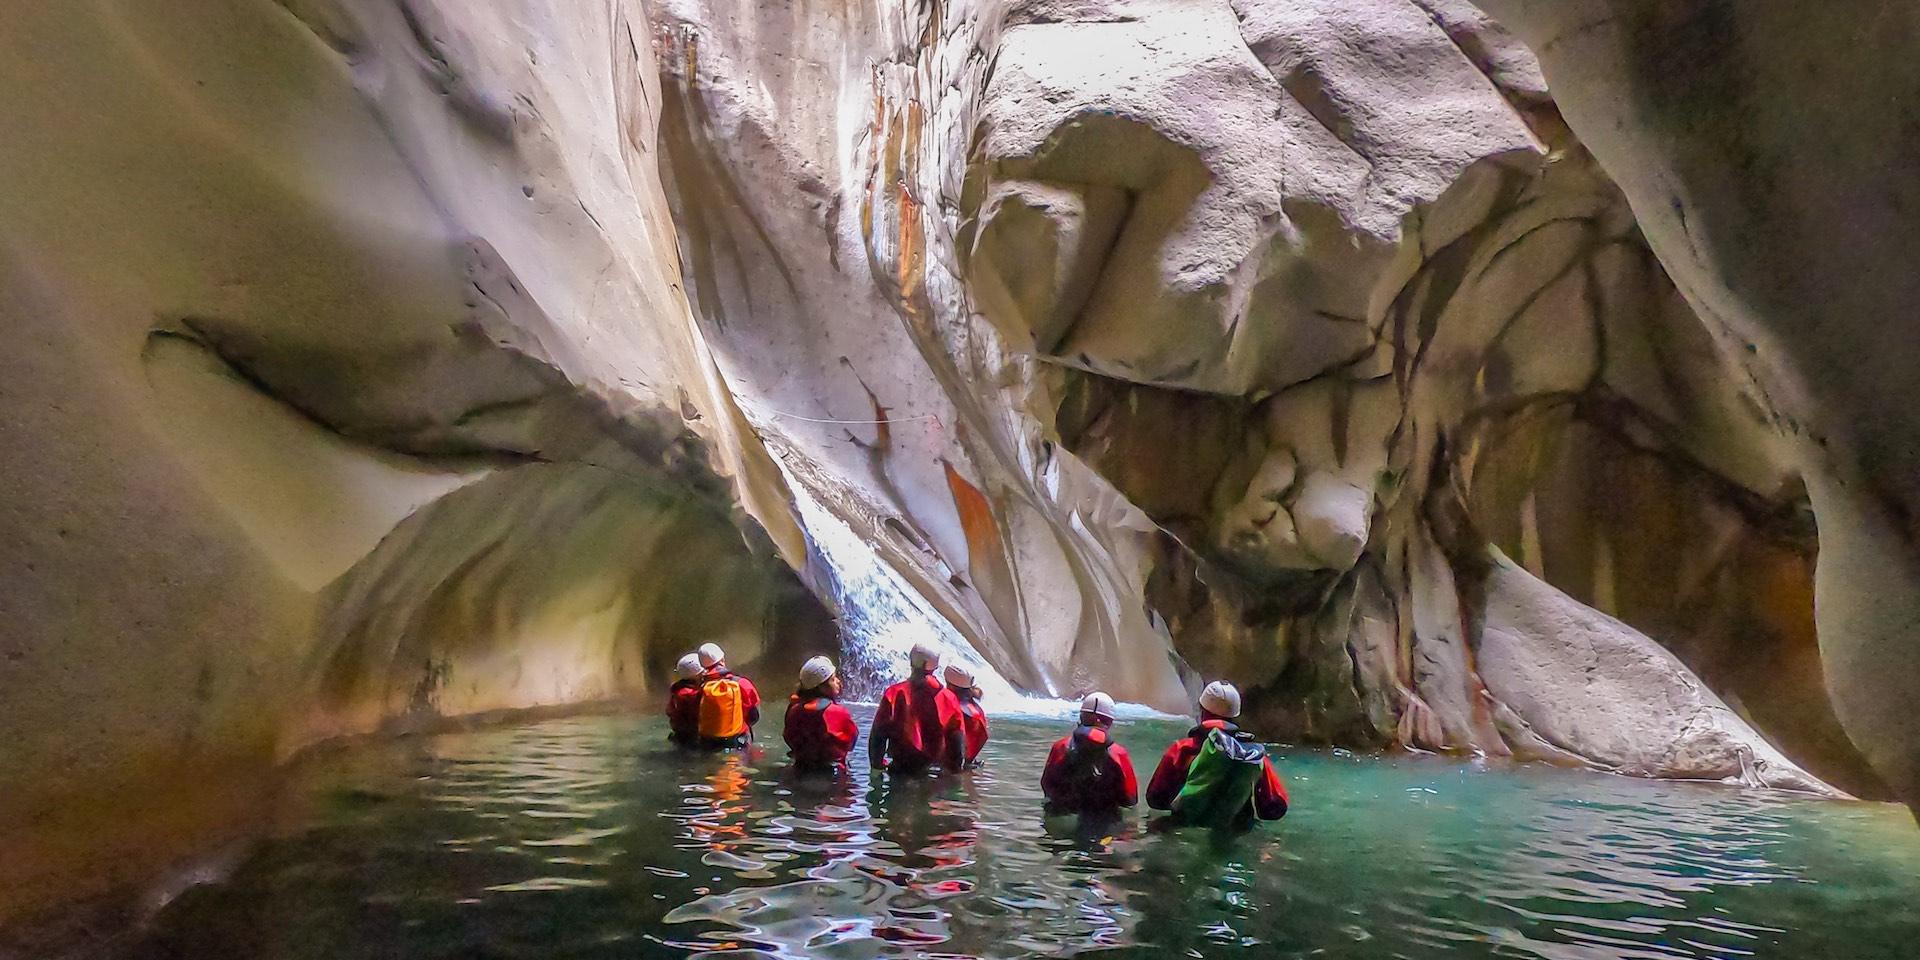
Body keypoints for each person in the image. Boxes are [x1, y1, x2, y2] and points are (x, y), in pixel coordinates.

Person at [1146, 681, 1289, 828]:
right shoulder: (1253, 753)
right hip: (1234, 831)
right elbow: (1275, 809)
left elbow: (1156, 799)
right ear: (1235, 714)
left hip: (1186, 826)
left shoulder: (1183, 749)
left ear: (1202, 710)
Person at [868, 642, 965, 775]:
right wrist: (955, 770)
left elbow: (878, 733)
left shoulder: (894, 693)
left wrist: (876, 765)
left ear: (911, 661)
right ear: (935, 665)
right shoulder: (949, 697)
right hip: (936, 774)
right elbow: (956, 738)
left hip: (901, 769)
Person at [1041, 692, 1139, 816]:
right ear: (1108, 722)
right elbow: (1130, 799)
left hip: (1064, 813)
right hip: (1103, 820)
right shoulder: (1118, 753)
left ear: (1082, 717)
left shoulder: (1060, 746)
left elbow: (1047, 784)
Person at [783, 655, 858, 774]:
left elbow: (788, 737)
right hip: (832, 773)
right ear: (822, 687)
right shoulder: (837, 712)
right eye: (833, 679)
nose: (838, 681)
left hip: (800, 769)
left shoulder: (794, 710)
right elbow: (851, 741)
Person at [693, 642, 762, 749]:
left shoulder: (701, 687)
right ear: (722, 660)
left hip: (707, 743)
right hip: (737, 741)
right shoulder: (742, 683)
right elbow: (754, 715)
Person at [945, 664, 989, 768]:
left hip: (951, 766)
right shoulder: (978, 710)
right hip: (968, 763)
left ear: (950, 685)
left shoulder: (953, 707)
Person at [666, 652, 707, 746]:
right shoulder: (689, 694)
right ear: (697, 675)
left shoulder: (677, 690)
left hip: (681, 736)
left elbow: (669, 711)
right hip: (691, 739)